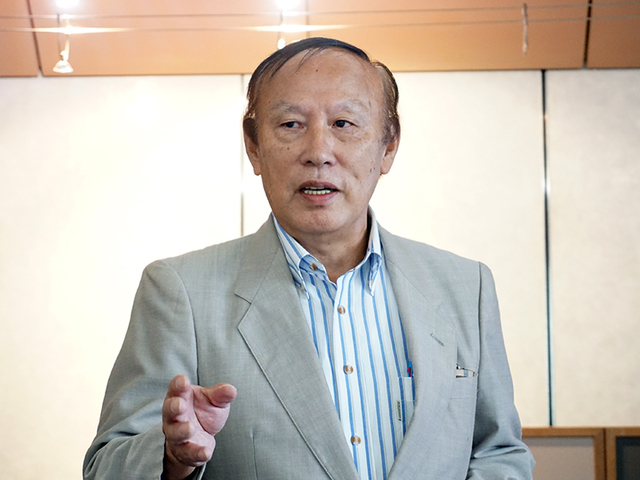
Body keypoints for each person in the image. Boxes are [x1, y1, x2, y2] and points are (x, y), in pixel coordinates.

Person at [83, 37, 534, 480]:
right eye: (291, 124)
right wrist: (172, 458)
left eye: (344, 123)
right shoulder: (180, 291)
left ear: (388, 146)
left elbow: (498, 452)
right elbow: (106, 466)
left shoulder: (465, 287)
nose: (318, 152)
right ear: (254, 146)